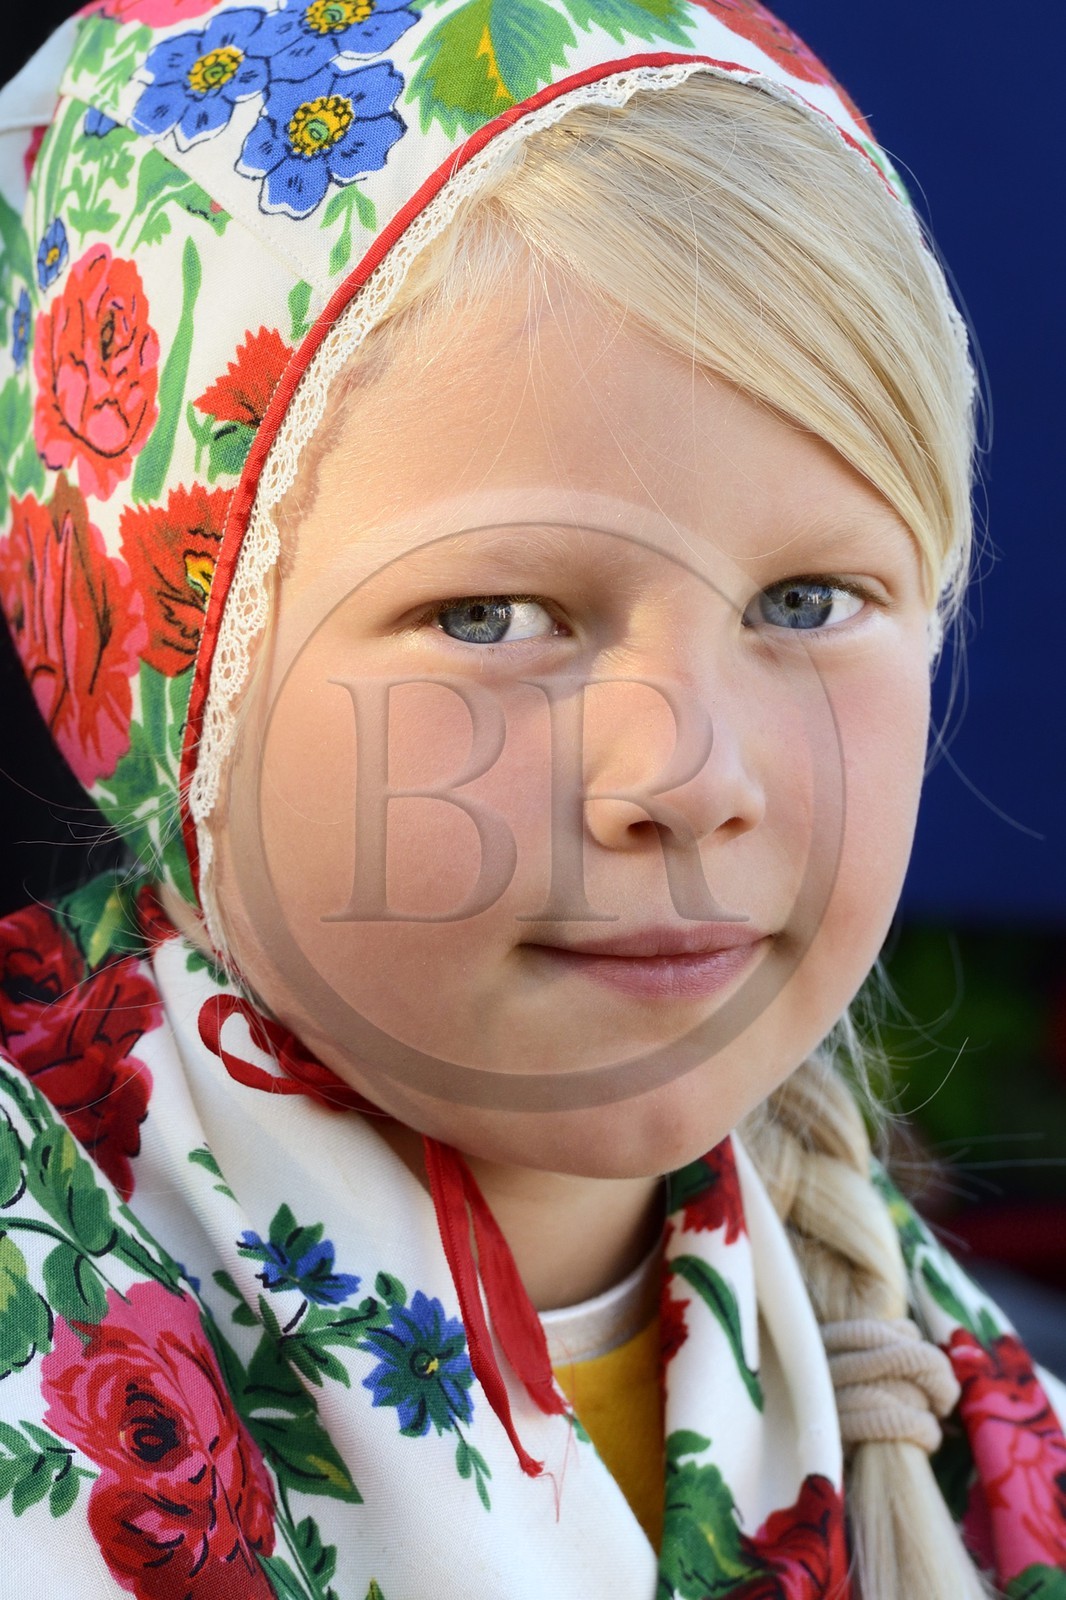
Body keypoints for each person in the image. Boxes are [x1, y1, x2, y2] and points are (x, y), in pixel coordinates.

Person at [0, 1, 1062, 1596]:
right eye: (494, 620)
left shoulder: (971, 1425)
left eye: (806, 601)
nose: (684, 777)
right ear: (173, 684)